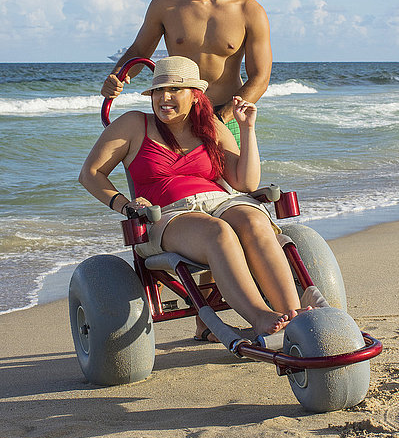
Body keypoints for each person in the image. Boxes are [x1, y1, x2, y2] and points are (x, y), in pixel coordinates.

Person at [81, 56, 306, 340]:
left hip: (221, 201)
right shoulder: (134, 124)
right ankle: (261, 316)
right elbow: (91, 174)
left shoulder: (210, 126)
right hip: (168, 215)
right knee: (218, 233)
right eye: (158, 91)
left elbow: (245, 182)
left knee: (254, 220)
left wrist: (247, 129)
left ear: (195, 95)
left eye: (175, 89)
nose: (164, 97)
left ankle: (294, 315)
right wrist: (125, 205)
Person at [101, 0, 272, 146]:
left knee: (235, 183)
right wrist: (116, 78)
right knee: (172, 181)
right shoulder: (167, 4)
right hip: (175, 116)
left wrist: (222, 118)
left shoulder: (250, 11)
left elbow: (260, 78)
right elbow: (140, 50)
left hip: (227, 116)